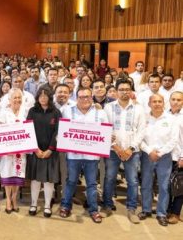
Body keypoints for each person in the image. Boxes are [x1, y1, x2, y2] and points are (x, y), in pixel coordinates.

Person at [59, 87, 109, 224]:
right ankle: (66, 206)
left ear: (92, 97)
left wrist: (109, 136)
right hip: (73, 155)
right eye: (81, 97)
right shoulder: (67, 111)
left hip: (92, 157)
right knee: (71, 181)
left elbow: (106, 131)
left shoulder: (100, 113)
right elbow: (62, 129)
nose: (84, 99)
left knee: (92, 183)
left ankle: (93, 210)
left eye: (87, 96)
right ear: (77, 98)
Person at [101, 79, 146, 223]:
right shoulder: (108, 107)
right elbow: (105, 128)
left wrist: (130, 148)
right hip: (112, 150)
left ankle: (131, 209)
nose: (124, 92)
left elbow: (141, 131)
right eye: (121, 89)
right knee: (109, 178)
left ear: (131, 91)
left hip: (132, 151)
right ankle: (107, 206)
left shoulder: (139, 108)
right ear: (116, 91)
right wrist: (116, 147)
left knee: (132, 180)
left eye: (127, 89)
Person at [139, 93, 178, 226]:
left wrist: (160, 153)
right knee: (146, 184)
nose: (157, 104)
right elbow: (139, 138)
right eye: (154, 101)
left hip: (164, 157)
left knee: (164, 186)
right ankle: (146, 209)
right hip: (147, 156)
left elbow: (174, 140)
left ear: (163, 103)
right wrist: (149, 151)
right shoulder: (144, 118)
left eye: (159, 101)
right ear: (149, 104)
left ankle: (161, 213)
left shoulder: (171, 119)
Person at [26, 87, 61, 218]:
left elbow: (58, 131)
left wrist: (51, 149)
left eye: (45, 95)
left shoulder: (56, 112)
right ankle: (33, 204)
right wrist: (35, 149)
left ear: (50, 97)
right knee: (35, 180)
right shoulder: (32, 111)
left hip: (51, 152)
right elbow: (28, 130)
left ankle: (47, 205)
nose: (43, 98)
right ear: (37, 98)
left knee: (48, 180)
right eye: (40, 96)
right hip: (36, 151)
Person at [0, 89, 27, 213]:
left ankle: (14, 199)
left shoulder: (25, 112)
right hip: (7, 151)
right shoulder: (3, 113)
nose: (17, 100)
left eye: (19, 97)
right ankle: (8, 200)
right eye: (14, 97)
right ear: (9, 99)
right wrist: (6, 148)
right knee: (8, 173)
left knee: (17, 173)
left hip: (21, 151)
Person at [167, 91, 183, 224]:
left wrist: (182, 157)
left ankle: (175, 213)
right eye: (173, 99)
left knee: (179, 186)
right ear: (169, 100)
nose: (176, 102)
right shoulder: (164, 115)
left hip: (179, 156)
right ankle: (166, 210)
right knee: (166, 185)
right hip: (166, 156)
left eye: (179, 100)